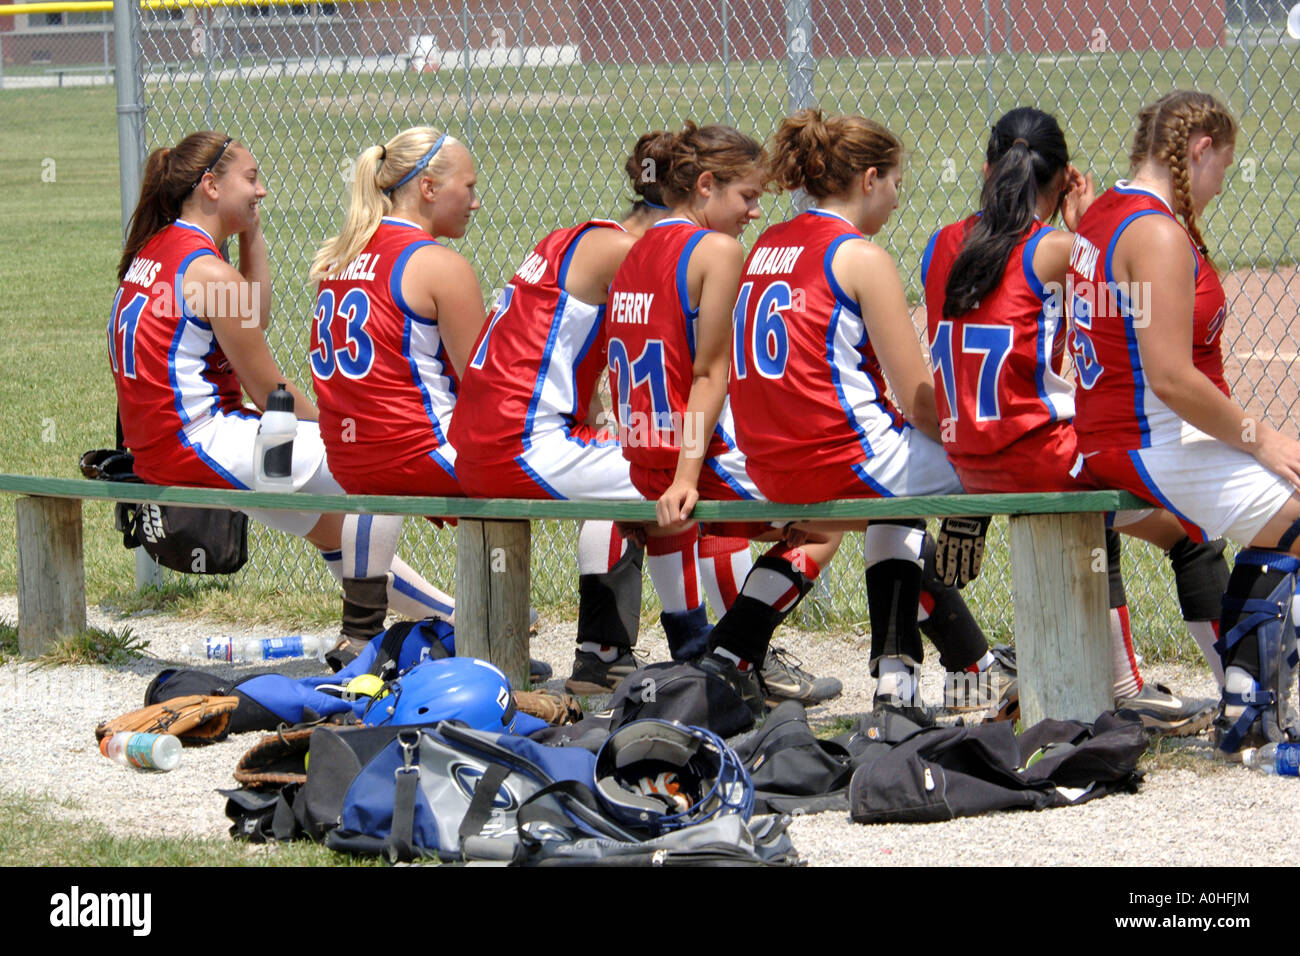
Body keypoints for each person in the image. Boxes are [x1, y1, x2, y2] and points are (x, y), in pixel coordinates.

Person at [921, 106, 1223, 735]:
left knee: (1093, 510)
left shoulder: (943, 244)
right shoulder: (1059, 248)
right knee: (1189, 533)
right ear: (1061, 180)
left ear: (986, 169)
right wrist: (1085, 225)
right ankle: (1236, 693)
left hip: (966, 456)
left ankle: (1122, 682)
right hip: (1036, 455)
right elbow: (1115, 330)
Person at [109, 131, 447, 661]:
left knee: (336, 530)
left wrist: (250, 233)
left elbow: (252, 317)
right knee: (379, 468)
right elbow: (272, 393)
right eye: (251, 178)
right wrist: (337, 432)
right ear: (210, 186)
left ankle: (455, 618)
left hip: (173, 446)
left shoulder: (162, 248)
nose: (262, 190)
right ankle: (372, 638)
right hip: (205, 445)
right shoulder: (204, 269)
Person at [723, 108, 1006, 722]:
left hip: (769, 467)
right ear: (870, 178)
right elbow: (921, 402)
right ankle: (900, 691)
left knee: (898, 499)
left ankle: (965, 674)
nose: (898, 200)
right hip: (845, 459)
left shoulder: (767, 244)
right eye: (897, 183)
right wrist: (982, 451)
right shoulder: (860, 257)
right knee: (999, 470)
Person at [1070, 90, 1300, 752]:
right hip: (1146, 438)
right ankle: (1250, 713)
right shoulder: (1156, 233)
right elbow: (1169, 377)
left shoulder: (1107, 211)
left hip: (1122, 430)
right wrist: (1261, 437)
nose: (1222, 187)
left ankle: (1247, 699)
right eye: (1222, 168)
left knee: (1284, 523)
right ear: (1198, 151)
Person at [604, 121, 843, 711]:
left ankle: (701, 651)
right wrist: (688, 475)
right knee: (834, 520)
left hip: (643, 457)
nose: (755, 213)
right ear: (705, 185)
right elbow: (710, 376)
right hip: (690, 462)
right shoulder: (715, 249)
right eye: (748, 196)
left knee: (714, 511)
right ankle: (734, 654)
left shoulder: (636, 245)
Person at [307, 127, 485, 666]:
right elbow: (487, 385)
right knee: (558, 469)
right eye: (469, 186)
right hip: (421, 454)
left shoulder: (338, 258)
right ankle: (510, 637)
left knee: (382, 478)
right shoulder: (437, 264)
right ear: (427, 188)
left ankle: (359, 632)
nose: (476, 201)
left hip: (351, 460)